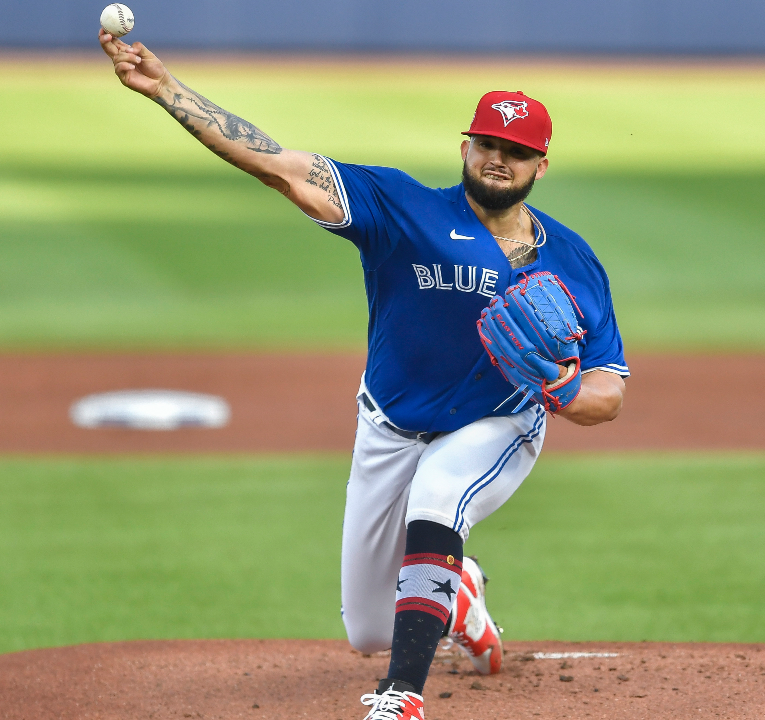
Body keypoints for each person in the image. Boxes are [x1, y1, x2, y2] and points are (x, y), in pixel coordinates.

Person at [100, 30, 628, 720]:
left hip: (497, 421)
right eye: (487, 145)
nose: (499, 161)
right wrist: (167, 90)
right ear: (465, 148)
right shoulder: (402, 207)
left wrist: (560, 391)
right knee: (369, 628)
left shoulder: (575, 262)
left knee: (440, 498)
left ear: (540, 165)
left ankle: (400, 695)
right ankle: (458, 591)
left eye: (517, 152)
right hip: (388, 421)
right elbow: (279, 167)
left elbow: (609, 392)